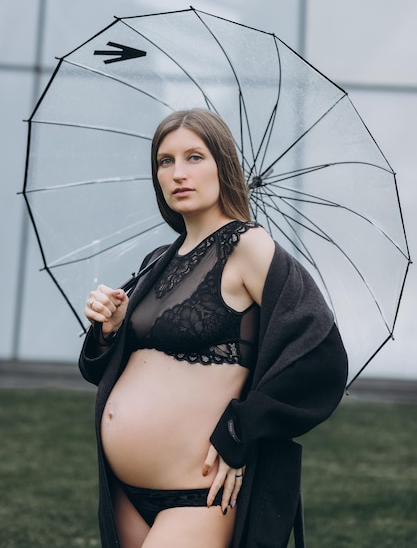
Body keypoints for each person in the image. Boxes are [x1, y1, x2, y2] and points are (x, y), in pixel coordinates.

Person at [79, 108, 348, 548]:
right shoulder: (157, 261)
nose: (178, 173)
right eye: (165, 161)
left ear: (222, 165)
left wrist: (240, 428)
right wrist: (110, 330)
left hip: (200, 494)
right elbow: (99, 372)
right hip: (125, 493)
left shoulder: (247, 246)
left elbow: (321, 356)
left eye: (194, 157)